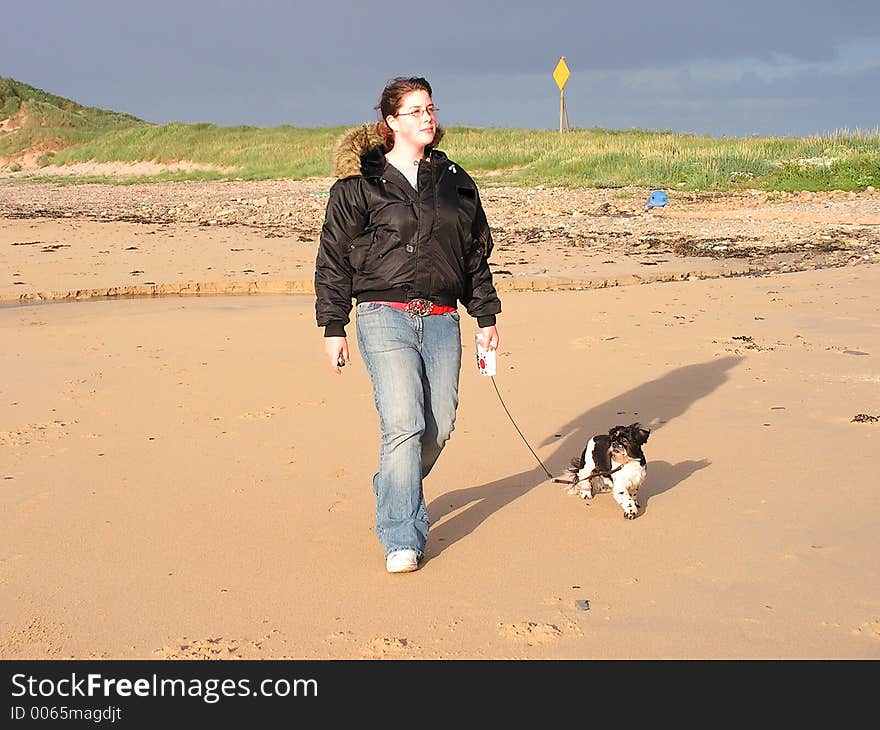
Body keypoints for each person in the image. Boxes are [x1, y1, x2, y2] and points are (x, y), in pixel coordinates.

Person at [314, 76, 501, 574]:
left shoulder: (456, 181)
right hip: (383, 316)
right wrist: (334, 327)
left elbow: (473, 255)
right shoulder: (359, 188)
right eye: (415, 110)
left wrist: (486, 317)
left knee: (439, 427)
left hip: (441, 319)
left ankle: (393, 485)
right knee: (404, 425)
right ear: (391, 121)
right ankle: (402, 534)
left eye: (431, 108)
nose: (427, 117)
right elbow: (332, 259)